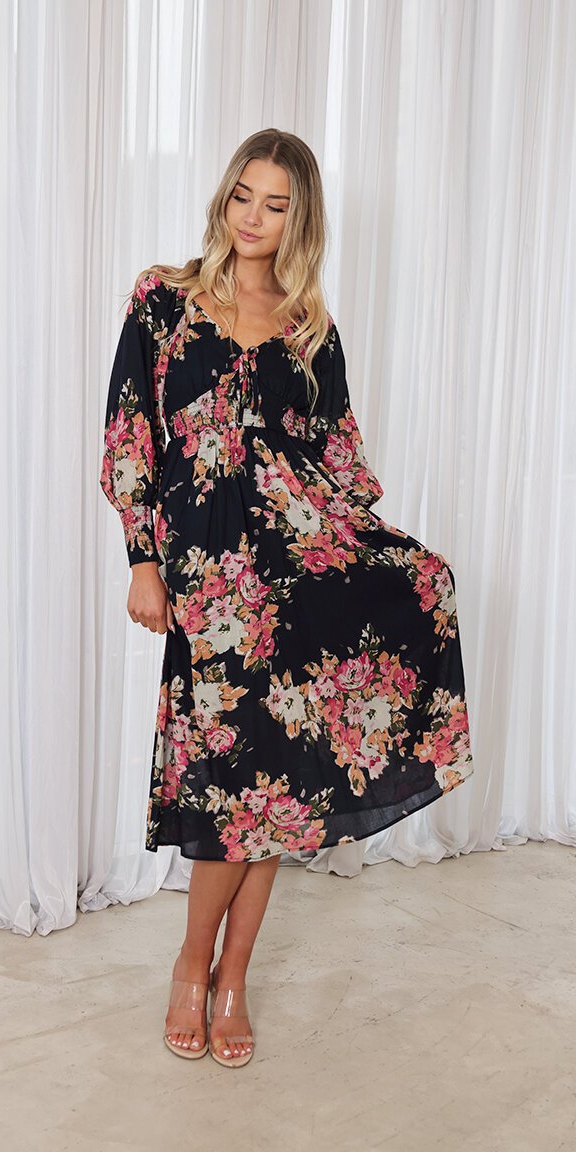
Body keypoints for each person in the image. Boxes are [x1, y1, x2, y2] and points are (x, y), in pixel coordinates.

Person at [100, 128, 475, 1068]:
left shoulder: (312, 328)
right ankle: (192, 965)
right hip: (210, 579)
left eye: (276, 205)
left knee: (277, 787)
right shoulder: (163, 300)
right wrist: (144, 559)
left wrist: (381, 563)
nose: (254, 218)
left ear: (299, 219)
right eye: (243, 196)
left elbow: (339, 462)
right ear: (224, 197)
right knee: (233, 786)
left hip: (298, 576)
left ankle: (230, 979)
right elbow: (130, 437)